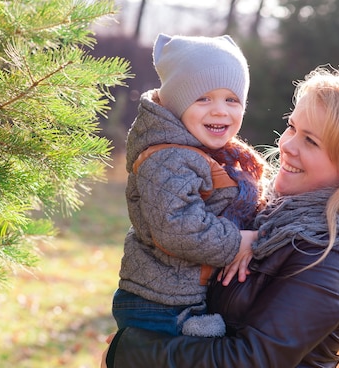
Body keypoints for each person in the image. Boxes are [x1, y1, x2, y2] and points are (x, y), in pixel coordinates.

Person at [102, 65, 339, 367]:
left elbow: (252, 360)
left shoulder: (333, 254)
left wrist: (128, 353)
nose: (287, 145)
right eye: (292, 127)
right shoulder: (268, 217)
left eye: (311, 141)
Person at [112, 33, 269, 339]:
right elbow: (178, 228)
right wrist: (240, 242)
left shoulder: (200, 152)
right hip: (159, 303)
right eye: (203, 98)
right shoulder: (169, 157)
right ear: (176, 104)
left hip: (177, 297)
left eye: (231, 99)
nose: (220, 110)